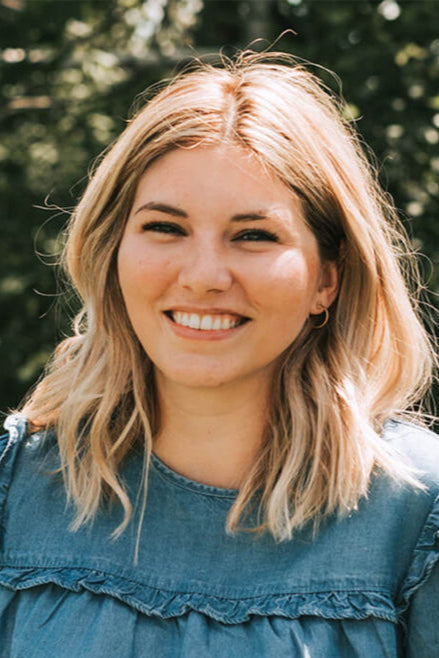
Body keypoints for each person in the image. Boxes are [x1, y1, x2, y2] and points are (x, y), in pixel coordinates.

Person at [0, 50, 438, 657]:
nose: (204, 276)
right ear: (112, 252)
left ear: (327, 280)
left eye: (254, 236)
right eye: (165, 228)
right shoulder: (13, 485)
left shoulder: (418, 513)